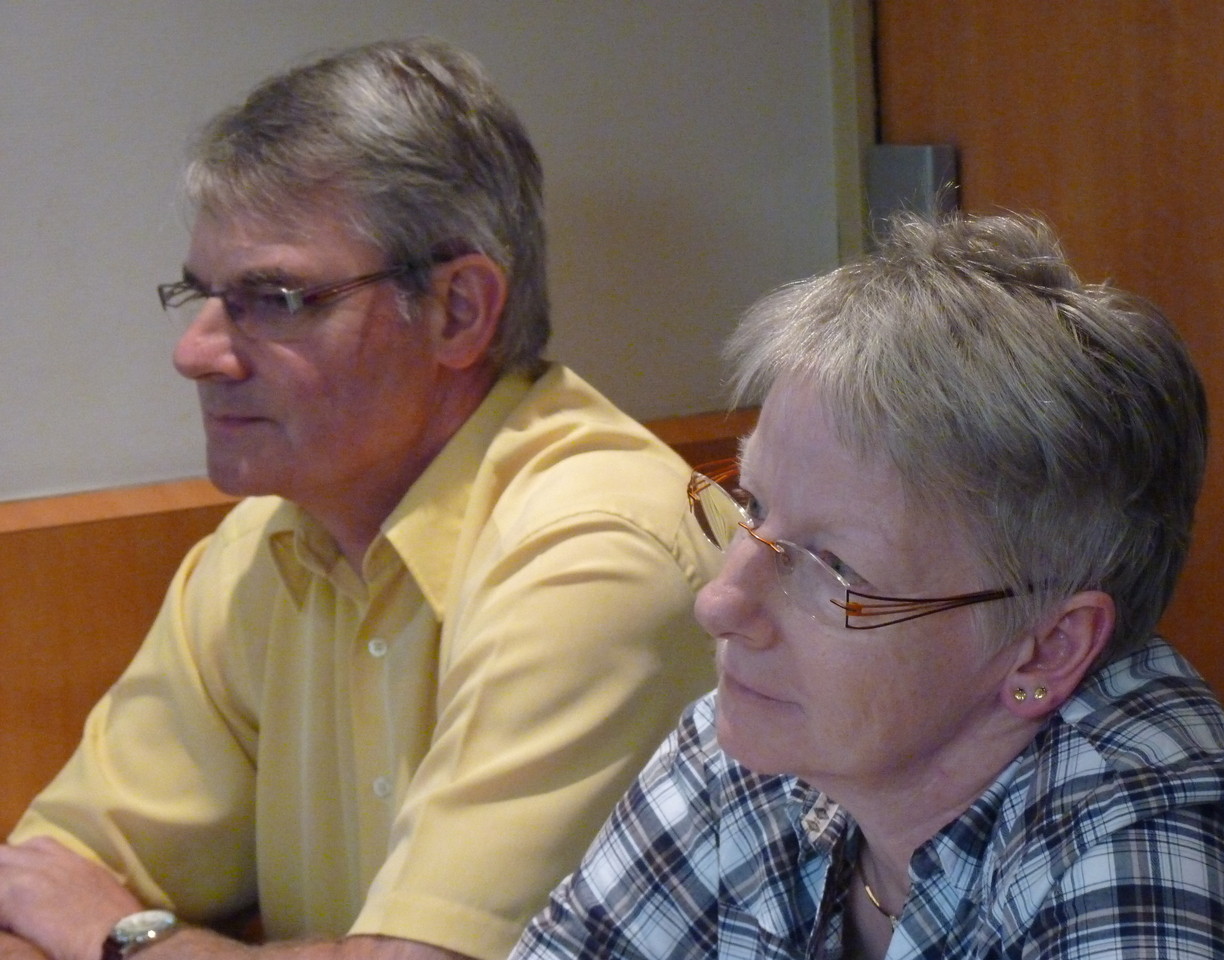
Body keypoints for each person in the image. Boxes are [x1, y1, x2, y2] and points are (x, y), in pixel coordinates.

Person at [0, 37, 720, 960]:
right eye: (201, 294)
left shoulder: (597, 550)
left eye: (277, 298)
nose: (196, 352)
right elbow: (35, 885)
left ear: (459, 311)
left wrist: (122, 937)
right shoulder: (270, 540)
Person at [511, 212, 1224, 959]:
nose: (719, 605)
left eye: (834, 568)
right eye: (753, 507)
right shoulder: (759, 747)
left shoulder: (1145, 859)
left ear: (1046, 649)